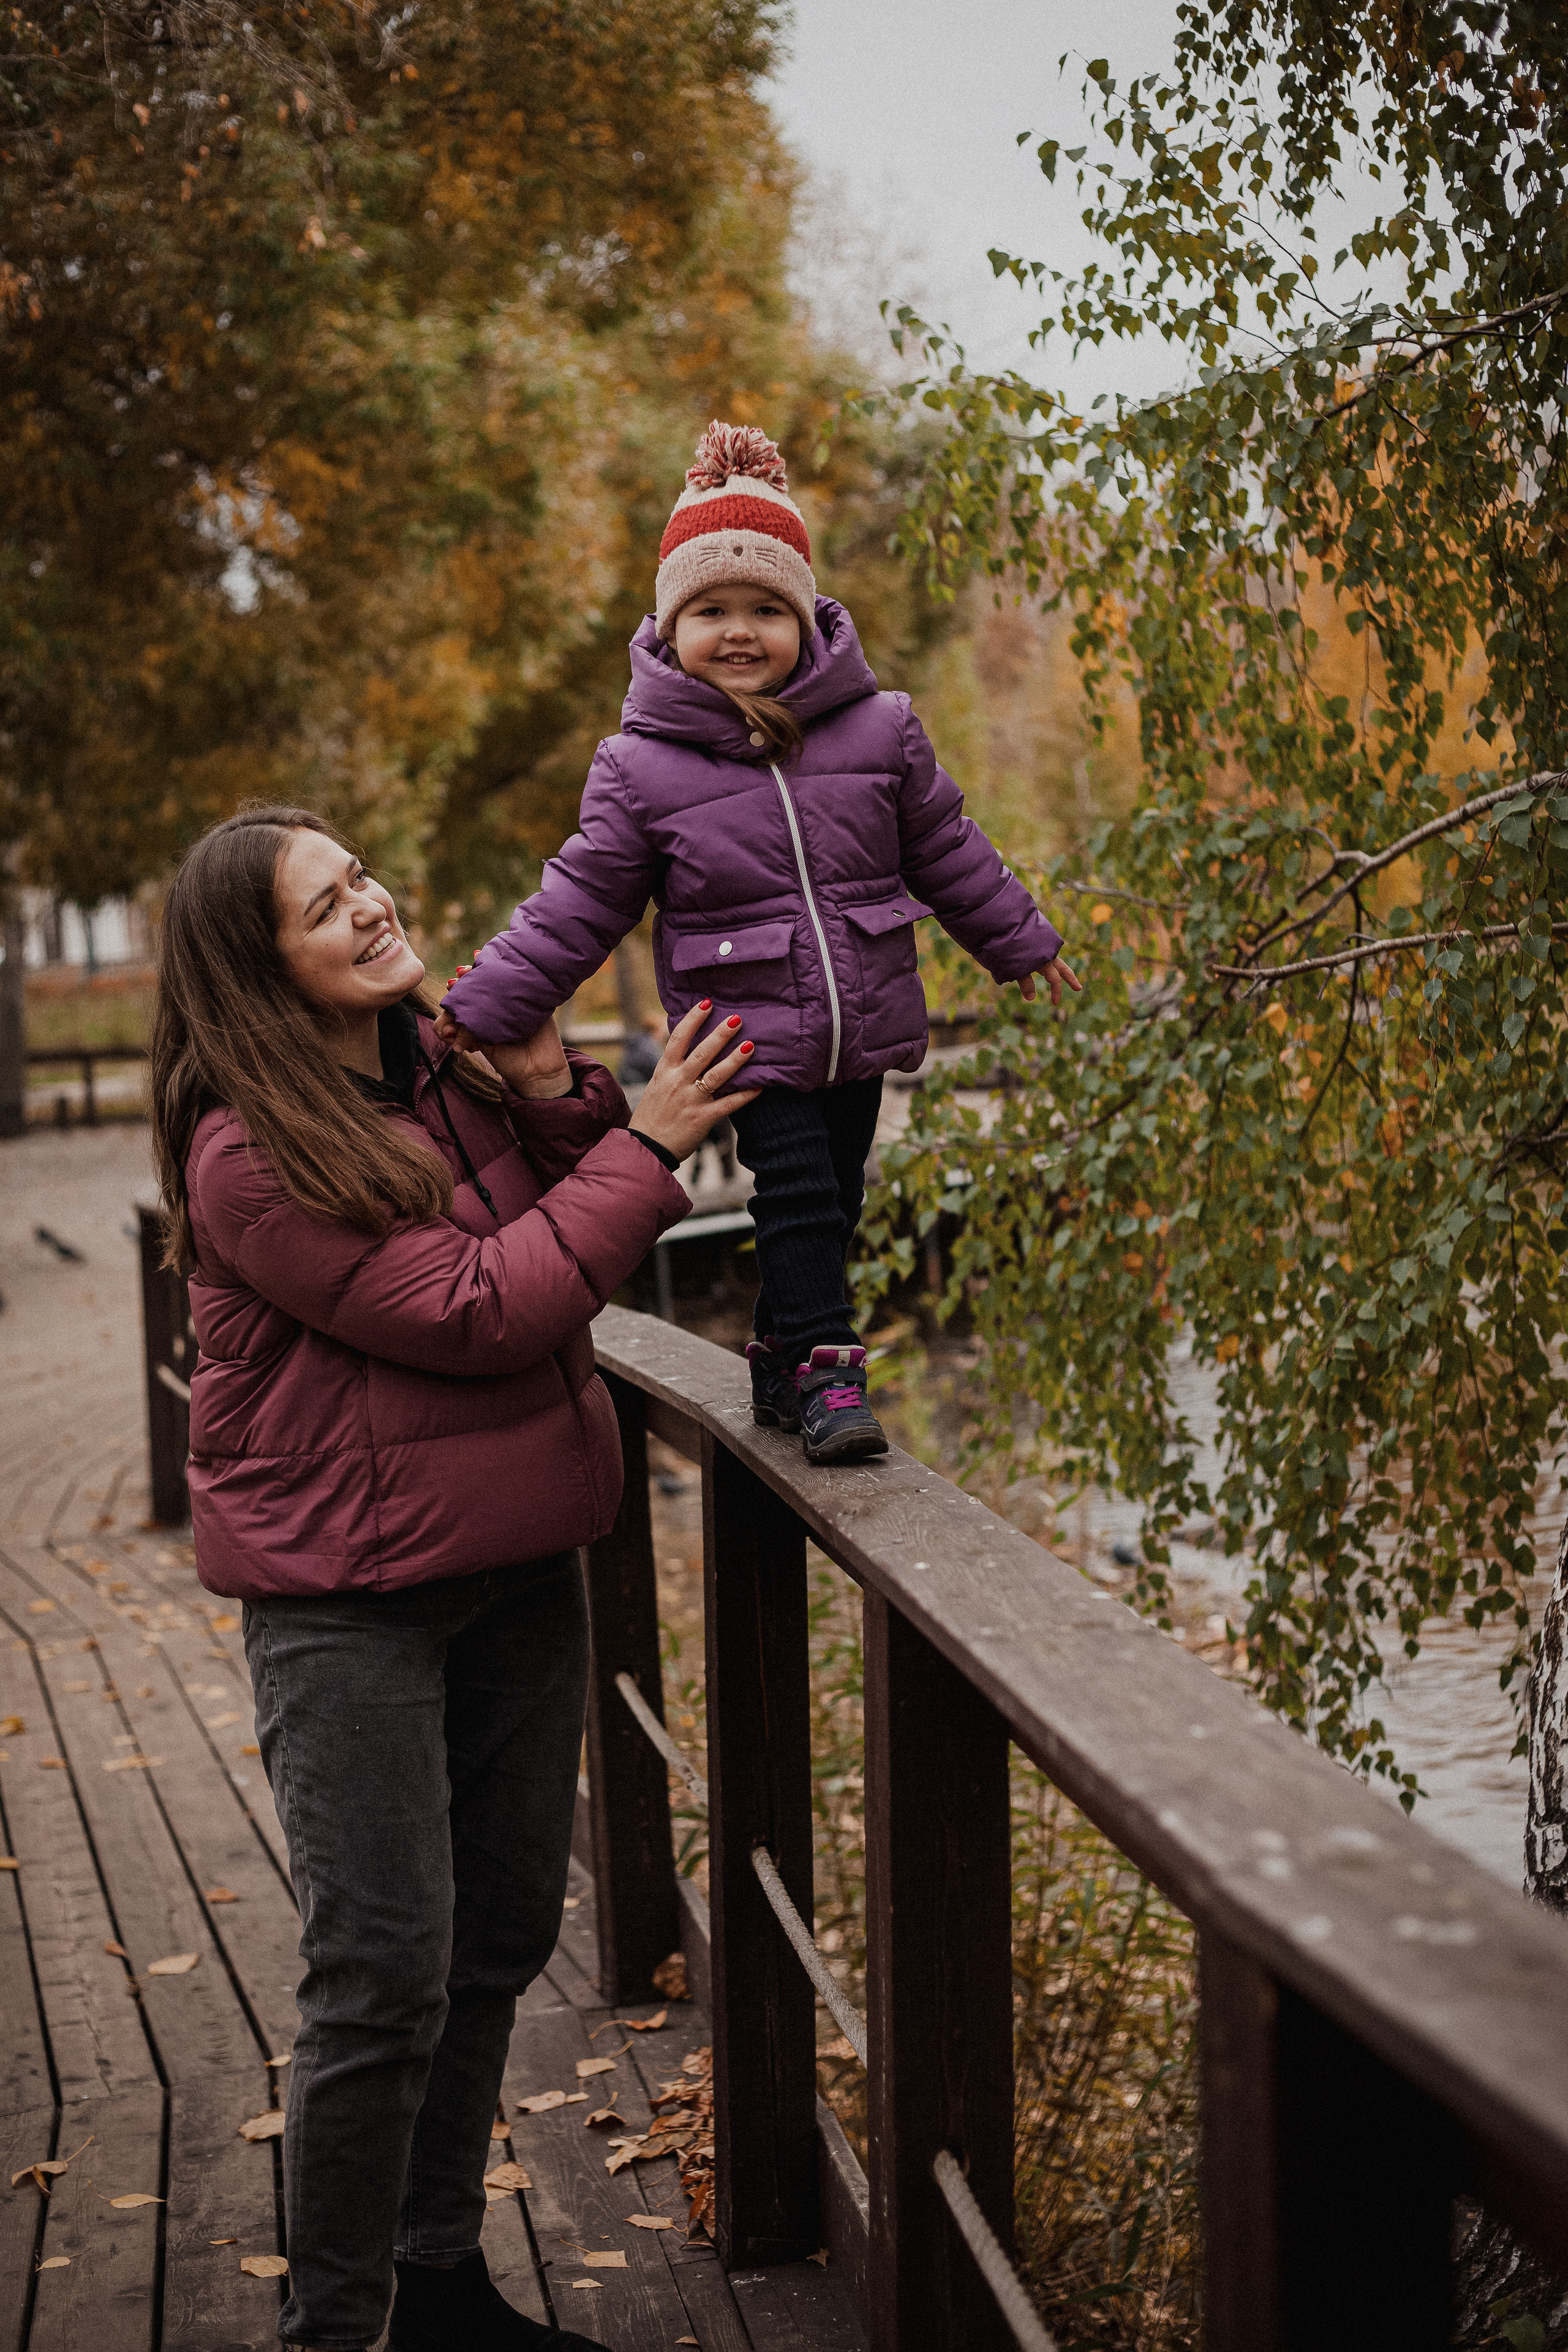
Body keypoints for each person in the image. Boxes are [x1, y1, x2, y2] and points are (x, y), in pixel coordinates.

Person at [148, 805, 757, 2352]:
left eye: (363, 877)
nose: (372, 907)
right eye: (324, 904)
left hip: (512, 1565)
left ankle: (434, 2287)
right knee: (379, 1977)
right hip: (347, 1602)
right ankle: (335, 2333)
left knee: (490, 1939)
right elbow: (488, 1305)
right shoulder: (247, 1154)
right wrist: (650, 1140)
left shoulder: (438, 1066)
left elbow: (552, 1217)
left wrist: (556, 1083)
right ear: (254, 969)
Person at [438, 420, 1082, 1466]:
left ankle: (781, 1361)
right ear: (669, 626)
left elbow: (947, 847)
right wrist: (489, 1002)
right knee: (798, 1194)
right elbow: (581, 900)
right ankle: (830, 1373)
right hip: (743, 1033)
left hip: (860, 1022)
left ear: (807, 617)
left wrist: (1020, 939)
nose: (739, 632)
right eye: (710, 612)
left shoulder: (880, 729)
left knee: (839, 1196)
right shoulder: (642, 767)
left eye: (765, 610)